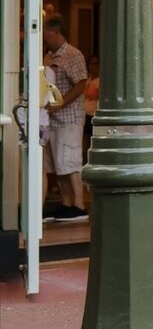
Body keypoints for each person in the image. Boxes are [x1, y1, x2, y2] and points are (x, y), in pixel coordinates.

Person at [43, 16, 88, 222]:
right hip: (52, 119)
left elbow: (80, 84)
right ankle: (66, 202)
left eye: (46, 34)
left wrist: (61, 103)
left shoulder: (73, 54)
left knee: (69, 161)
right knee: (57, 163)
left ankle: (79, 204)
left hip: (69, 118)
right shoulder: (48, 57)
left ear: (56, 32)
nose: (44, 38)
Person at [83, 54, 100, 157]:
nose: (93, 67)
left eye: (95, 64)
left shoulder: (100, 81)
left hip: (93, 115)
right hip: (84, 114)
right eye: (91, 64)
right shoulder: (87, 80)